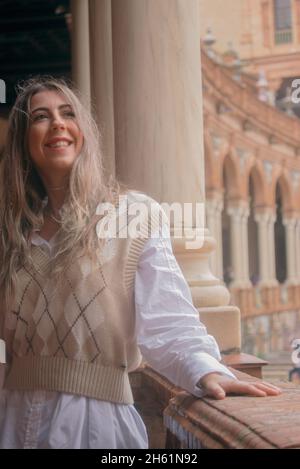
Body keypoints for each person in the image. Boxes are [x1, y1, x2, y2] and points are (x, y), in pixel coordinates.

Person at [0, 77, 281, 449]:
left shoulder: (133, 215)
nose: (57, 124)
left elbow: (168, 320)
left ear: (84, 132)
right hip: (13, 420)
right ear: (23, 139)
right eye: (40, 116)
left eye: (68, 113)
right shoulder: (10, 230)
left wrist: (206, 369)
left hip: (97, 425)